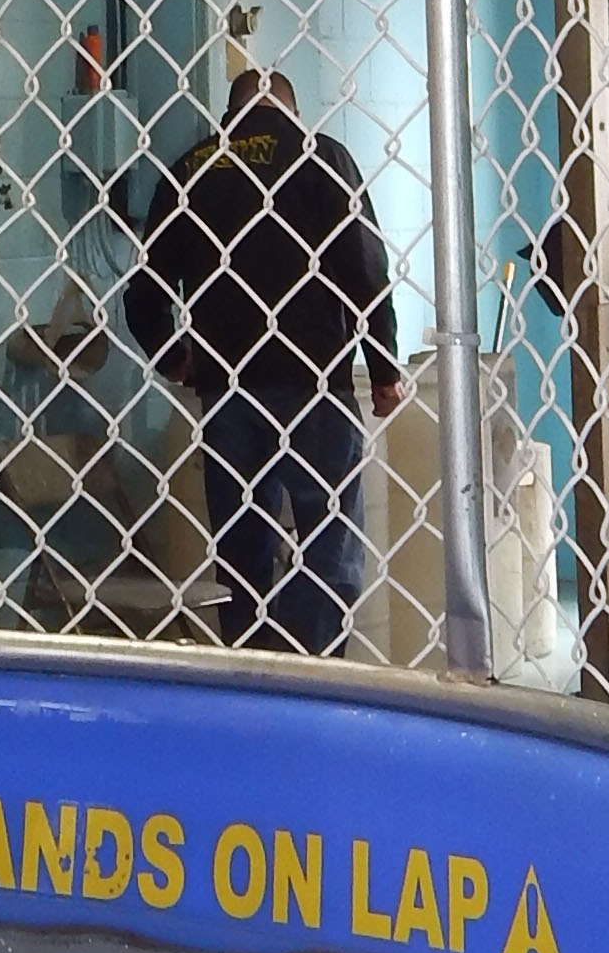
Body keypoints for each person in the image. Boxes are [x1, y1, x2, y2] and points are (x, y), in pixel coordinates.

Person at [123, 66, 401, 656]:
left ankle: (251, 664)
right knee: (327, 540)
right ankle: (314, 669)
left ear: (231, 116)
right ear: (293, 114)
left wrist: (174, 358)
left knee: (241, 548)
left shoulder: (191, 168)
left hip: (229, 387)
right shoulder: (322, 158)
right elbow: (365, 268)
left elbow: (144, 290)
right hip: (313, 383)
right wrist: (383, 367)